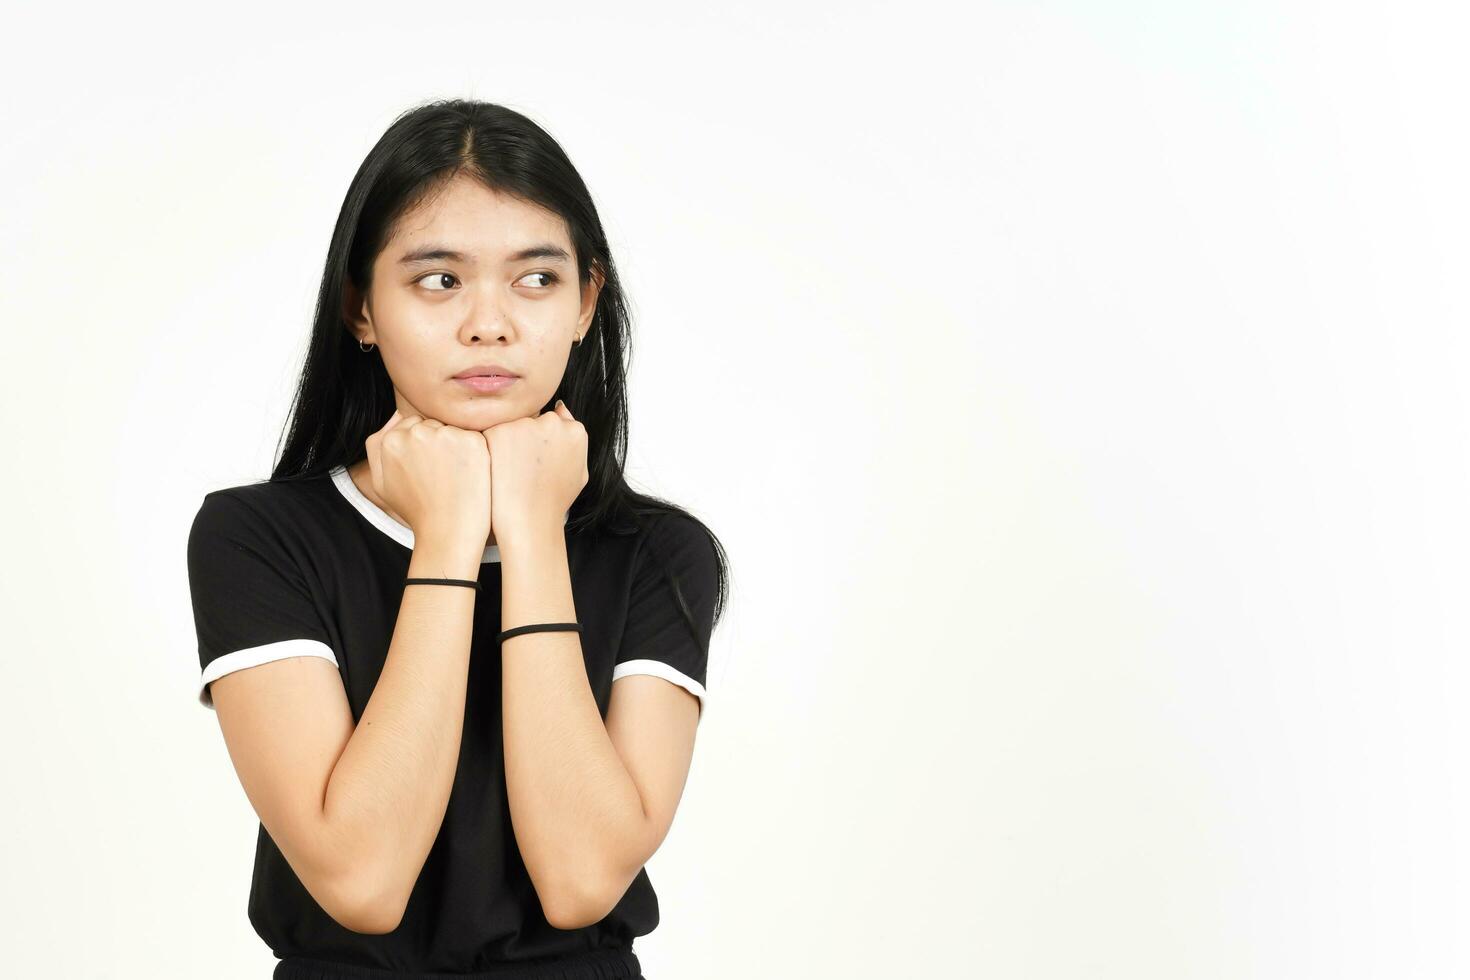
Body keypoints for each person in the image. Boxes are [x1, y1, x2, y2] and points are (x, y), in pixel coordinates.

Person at [185, 98, 729, 980]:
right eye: (438, 280)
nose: (490, 323)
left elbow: (583, 880)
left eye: (536, 279)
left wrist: (531, 530)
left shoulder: (659, 553)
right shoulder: (258, 538)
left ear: (588, 301)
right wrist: (446, 538)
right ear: (361, 309)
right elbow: (362, 881)